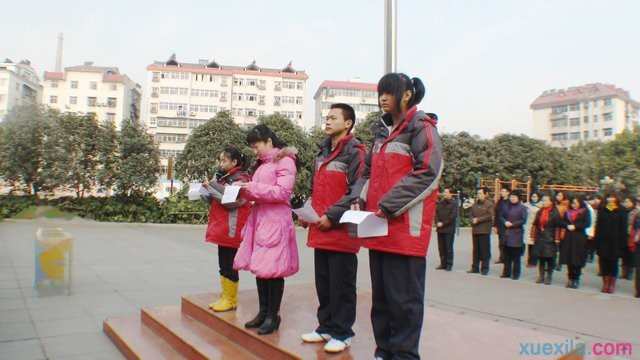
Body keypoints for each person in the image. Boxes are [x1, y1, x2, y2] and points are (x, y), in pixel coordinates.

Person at [353, 73, 442, 360]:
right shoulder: (382, 133)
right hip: (378, 227)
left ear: (406, 95)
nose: (382, 98)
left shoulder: (422, 127)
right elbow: (368, 173)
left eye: (388, 92)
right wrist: (359, 198)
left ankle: (404, 355)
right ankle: (384, 351)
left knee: (404, 301)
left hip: (405, 231)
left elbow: (428, 172)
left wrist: (388, 205)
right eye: (380, 92)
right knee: (381, 299)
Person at [300, 103, 365, 353]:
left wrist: (332, 215)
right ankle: (325, 326)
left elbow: (356, 190)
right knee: (324, 282)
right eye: (326, 117)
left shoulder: (356, 152)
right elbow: (317, 189)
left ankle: (343, 332)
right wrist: (307, 212)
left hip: (340, 229)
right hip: (320, 227)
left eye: (333, 118)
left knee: (342, 284)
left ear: (348, 123)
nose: (327, 121)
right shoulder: (322, 152)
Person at [233, 124, 299, 335]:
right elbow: (260, 192)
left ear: (269, 141)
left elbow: (282, 192)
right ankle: (263, 312)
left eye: (256, 145)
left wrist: (251, 188)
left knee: (274, 270)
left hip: (276, 220)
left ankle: (273, 315)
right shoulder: (262, 165)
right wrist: (242, 191)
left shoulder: (285, 161)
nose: (255, 151)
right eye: (252, 147)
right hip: (260, 219)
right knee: (261, 268)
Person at [201, 147, 251, 312]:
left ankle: (230, 299)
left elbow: (229, 202)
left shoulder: (240, 179)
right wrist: (205, 191)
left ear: (234, 162)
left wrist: (212, 187)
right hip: (222, 227)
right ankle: (225, 296)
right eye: (220, 160)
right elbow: (216, 200)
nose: (220, 163)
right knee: (223, 264)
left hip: (232, 228)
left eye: (224, 160)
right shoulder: (224, 177)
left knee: (229, 264)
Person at [595, 193, 627, 294]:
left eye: (613, 197)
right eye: (609, 197)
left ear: (617, 198)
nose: (611, 199)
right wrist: (596, 240)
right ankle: (605, 283)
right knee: (603, 263)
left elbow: (624, 228)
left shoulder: (621, 210)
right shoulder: (603, 209)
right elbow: (598, 225)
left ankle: (612, 284)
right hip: (603, 241)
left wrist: (623, 244)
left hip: (615, 242)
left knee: (613, 264)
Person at [559, 196, 591, 289]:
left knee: (577, 259)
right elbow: (562, 221)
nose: (574, 205)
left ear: (580, 203)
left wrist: (576, 226)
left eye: (576, 203)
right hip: (569, 237)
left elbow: (587, 223)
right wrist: (567, 225)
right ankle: (570, 278)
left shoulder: (585, 211)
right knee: (569, 258)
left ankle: (576, 279)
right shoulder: (568, 211)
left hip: (579, 237)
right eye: (573, 203)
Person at [531, 194, 560, 285]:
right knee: (541, 258)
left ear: (551, 201)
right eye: (543, 200)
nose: (544, 202)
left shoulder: (555, 212)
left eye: (546, 200)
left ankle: (549, 276)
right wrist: (533, 236)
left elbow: (558, 226)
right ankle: (541, 275)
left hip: (550, 238)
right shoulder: (540, 211)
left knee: (550, 258)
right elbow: (535, 224)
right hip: (540, 237)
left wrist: (556, 238)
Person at [500, 191, 528, 280]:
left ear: (518, 198)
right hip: (507, 233)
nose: (512, 198)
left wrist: (513, 224)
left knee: (516, 256)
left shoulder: (523, 208)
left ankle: (516, 274)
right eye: (511, 197)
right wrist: (505, 222)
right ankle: (506, 272)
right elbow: (501, 216)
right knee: (506, 255)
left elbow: (523, 220)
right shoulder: (506, 206)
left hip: (517, 233)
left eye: (514, 197)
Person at [468, 187, 493, 275]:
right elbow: (470, 214)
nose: (479, 195)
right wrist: (472, 220)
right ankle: (475, 267)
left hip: (484, 230)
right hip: (475, 230)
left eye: (480, 193)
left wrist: (478, 219)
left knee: (484, 250)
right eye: (478, 193)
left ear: (485, 194)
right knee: (476, 250)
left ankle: (485, 268)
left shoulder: (489, 204)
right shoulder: (475, 204)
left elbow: (489, 216)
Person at [435, 188, 458, 271]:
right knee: (441, 247)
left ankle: (449, 264)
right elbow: (436, 213)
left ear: (450, 194)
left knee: (448, 248)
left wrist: (443, 223)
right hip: (440, 229)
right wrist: (437, 222)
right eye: (444, 192)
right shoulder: (440, 203)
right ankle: (443, 263)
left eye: (446, 192)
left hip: (449, 229)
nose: (444, 194)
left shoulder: (454, 203)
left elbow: (453, 216)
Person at [494, 187, 511, 264]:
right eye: (501, 191)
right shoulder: (499, 202)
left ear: (508, 193)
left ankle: (507, 257)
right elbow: (496, 214)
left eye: (504, 191)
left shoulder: (510, 202)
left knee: (507, 242)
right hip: (500, 225)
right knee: (501, 242)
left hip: (508, 224)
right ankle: (501, 257)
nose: (502, 193)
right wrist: (495, 225)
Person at [621, 196, 637, 280]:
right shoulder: (623, 211)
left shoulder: (636, 212)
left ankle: (630, 272)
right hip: (623, 235)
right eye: (625, 201)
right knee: (624, 254)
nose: (626, 203)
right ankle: (624, 272)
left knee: (631, 254)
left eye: (627, 201)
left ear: (632, 203)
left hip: (632, 236)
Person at [554, 191, 570, 271]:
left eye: (560, 195)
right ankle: (554, 262)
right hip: (554, 228)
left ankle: (559, 263)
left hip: (561, 228)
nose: (558, 196)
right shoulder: (554, 204)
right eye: (557, 195)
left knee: (560, 247)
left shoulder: (566, 205)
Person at [524, 192, 541, 267]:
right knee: (529, 244)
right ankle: (529, 260)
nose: (534, 198)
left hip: (537, 227)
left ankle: (534, 261)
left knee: (535, 244)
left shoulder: (541, 205)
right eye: (533, 196)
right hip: (528, 226)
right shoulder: (527, 205)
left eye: (536, 197)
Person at [628, 196, 640, 298]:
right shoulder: (637, 215)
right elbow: (633, 227)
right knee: (638, 268)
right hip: (638, 244)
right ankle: (638, 290)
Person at [585, 195, 601, 264]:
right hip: (590, 227)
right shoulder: (588, 207)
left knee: (592, 244)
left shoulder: (602, 207)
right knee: (588, 243)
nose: (596, 201)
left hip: (597, 228)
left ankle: (591, 256)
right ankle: (587, 256)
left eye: (597, 199)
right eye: (595, 199)